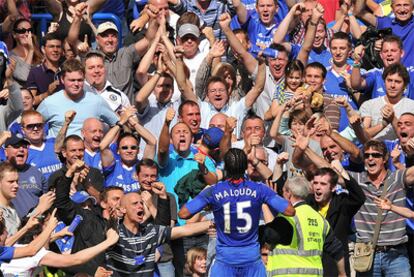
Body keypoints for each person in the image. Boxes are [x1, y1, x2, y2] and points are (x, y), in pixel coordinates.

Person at [178, 148, 295, 276]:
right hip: (251, 259)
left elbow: (183, 214)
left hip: (225, 261)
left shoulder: (214, 191)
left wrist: (207, 199)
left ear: (226, 167)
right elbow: (290, 211)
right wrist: (267, 196)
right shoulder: (259, 189)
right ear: (245, 167)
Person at [348, 140, 414, 276]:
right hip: (367, 255)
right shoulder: (357, 180)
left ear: (384, 159)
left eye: (376, 155)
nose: (370, 158)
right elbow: (324, 173)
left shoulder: (397, 178)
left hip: (396, 255)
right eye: (367, 156)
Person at [105, 191, 212, 275]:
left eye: (141, 203)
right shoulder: (116, 233)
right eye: (135, 203)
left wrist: (216, 222)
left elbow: (184, 230)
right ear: (123, 209)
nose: (140, 206)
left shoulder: (150, 231)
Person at [266, 176, 346, 277]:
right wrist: (342, 274)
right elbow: (337, 250)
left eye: (283, 192)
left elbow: (268, 241)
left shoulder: (287, 217)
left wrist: (266, 203)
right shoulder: (320, 219)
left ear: (288, 193)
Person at [37, 58, 119, 137]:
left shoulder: (96, 101)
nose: (76, 84)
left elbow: (117, 124)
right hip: (59, 150)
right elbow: (31, 125)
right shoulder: (49, 103)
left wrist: (109, 146)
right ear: (62, 79)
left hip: (87, 150)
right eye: (72, 80)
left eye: (80, 80)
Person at [355, 0, 414, 67]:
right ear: (392, 8)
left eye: (406, 5)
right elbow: (359, 12)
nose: (402, 9)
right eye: (398, 5)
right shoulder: (385, 22)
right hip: (391, 74)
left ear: (412, 8)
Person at [3, 133, 48, 219]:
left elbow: (46, 198)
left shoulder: (35, 172)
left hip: (38, 225)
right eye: (16, 146)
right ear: (5, 151)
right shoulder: (1, 171)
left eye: (24, 146)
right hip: (13, 227)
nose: (21, 149)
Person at [21, 111, 62, 180]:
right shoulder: (21, 152)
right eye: (30, 126)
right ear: (23, 130)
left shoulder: (54, 143)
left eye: (39, 125)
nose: (35, 129)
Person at [26, 32, 64, 106]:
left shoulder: (67, 69)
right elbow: (30, 102)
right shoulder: (34, 72)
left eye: (58, 47)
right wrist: (47, 93)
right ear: (43, 49)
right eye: (51, 46)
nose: (55, 50)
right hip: (44, 115)